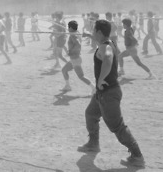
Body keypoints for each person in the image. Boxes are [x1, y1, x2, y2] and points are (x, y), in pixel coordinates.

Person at [78, 19, 145, 168]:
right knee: (91, 114)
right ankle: (93, 144)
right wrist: (89, 36)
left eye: (94, 31)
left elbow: (107, 58)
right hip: (103, 93)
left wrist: (101, 79)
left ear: (100, 33)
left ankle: (137, 156)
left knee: (117, 127)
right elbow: (104, 48)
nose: (93, 32)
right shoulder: (109, 43)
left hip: (108, 94)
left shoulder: (105, 47)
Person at [60, 21, 95, 92]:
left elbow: (78, 45)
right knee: (64, 70)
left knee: (81, 76)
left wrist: (71, 52)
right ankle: (68, 86)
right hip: (74, 59)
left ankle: (94, 88)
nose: (67, 28)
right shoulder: (76, 33)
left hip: (75, 59)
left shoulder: (73, 35)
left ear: (70, 27)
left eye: (68, 27)